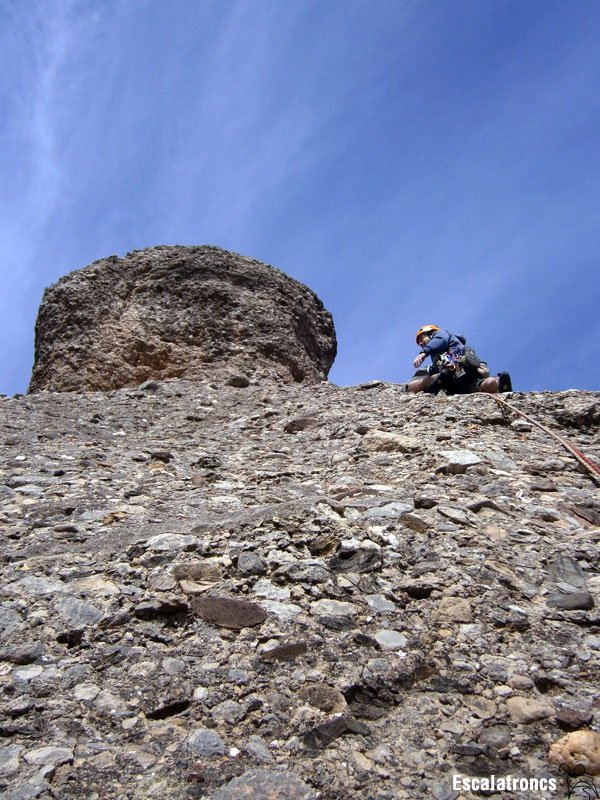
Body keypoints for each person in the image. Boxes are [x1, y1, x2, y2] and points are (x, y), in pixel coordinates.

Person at [408, 324, 512, 394]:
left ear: (430, 333)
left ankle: (501, 385)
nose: (421, 343)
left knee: (486, 383)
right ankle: (499, 385)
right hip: (457, 382)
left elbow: (440, 340)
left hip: (459, 368)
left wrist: (423, 353)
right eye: (420, 344)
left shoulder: (442, 335)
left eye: (422, 339)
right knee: (481, 385)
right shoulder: (435, 357)